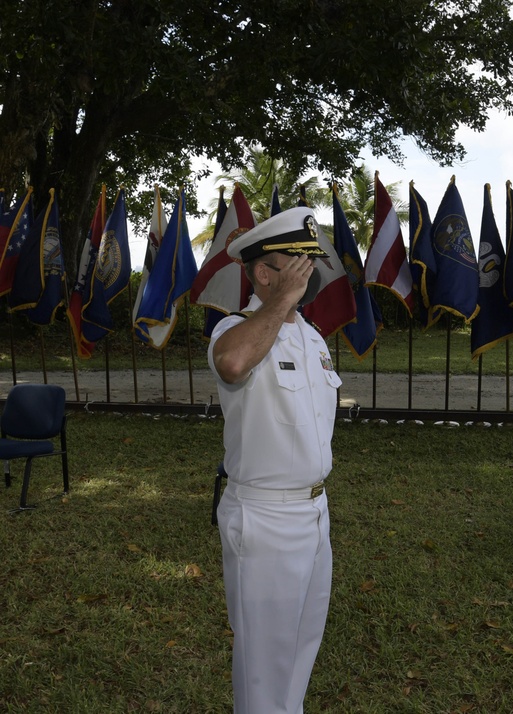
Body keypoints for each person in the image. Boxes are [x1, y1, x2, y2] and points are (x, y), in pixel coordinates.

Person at [208, 206, 342, 714]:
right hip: (264, 518)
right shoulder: (233, 331)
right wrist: (281, 299)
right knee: (264, 668)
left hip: (314, 512)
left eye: (312, 262)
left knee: (300, 652)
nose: (309, 273)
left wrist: (289, 305)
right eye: (297, 264)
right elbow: (235, 364)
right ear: (264, 273)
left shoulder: (310, 337)